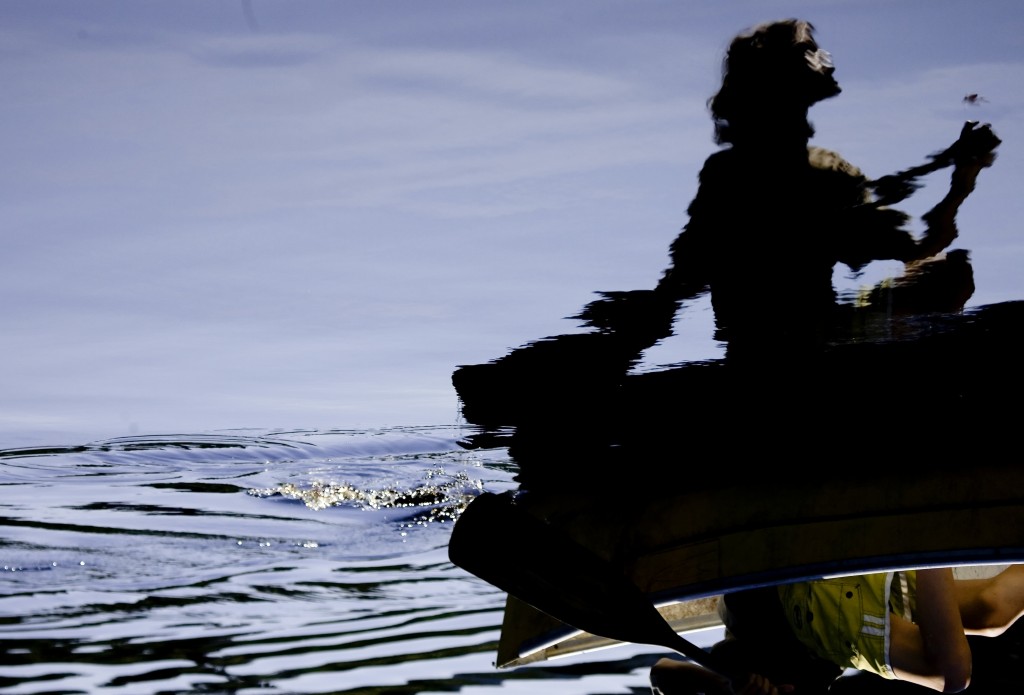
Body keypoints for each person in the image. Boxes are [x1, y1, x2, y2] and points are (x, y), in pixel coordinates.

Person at [651, 566, 1024, 694]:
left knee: (950, 675)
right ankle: (918, 547)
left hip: (801, 621)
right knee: (991, 612)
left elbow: (663, 673)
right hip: (822, 641)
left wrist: (732, 687)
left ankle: (922, 538)